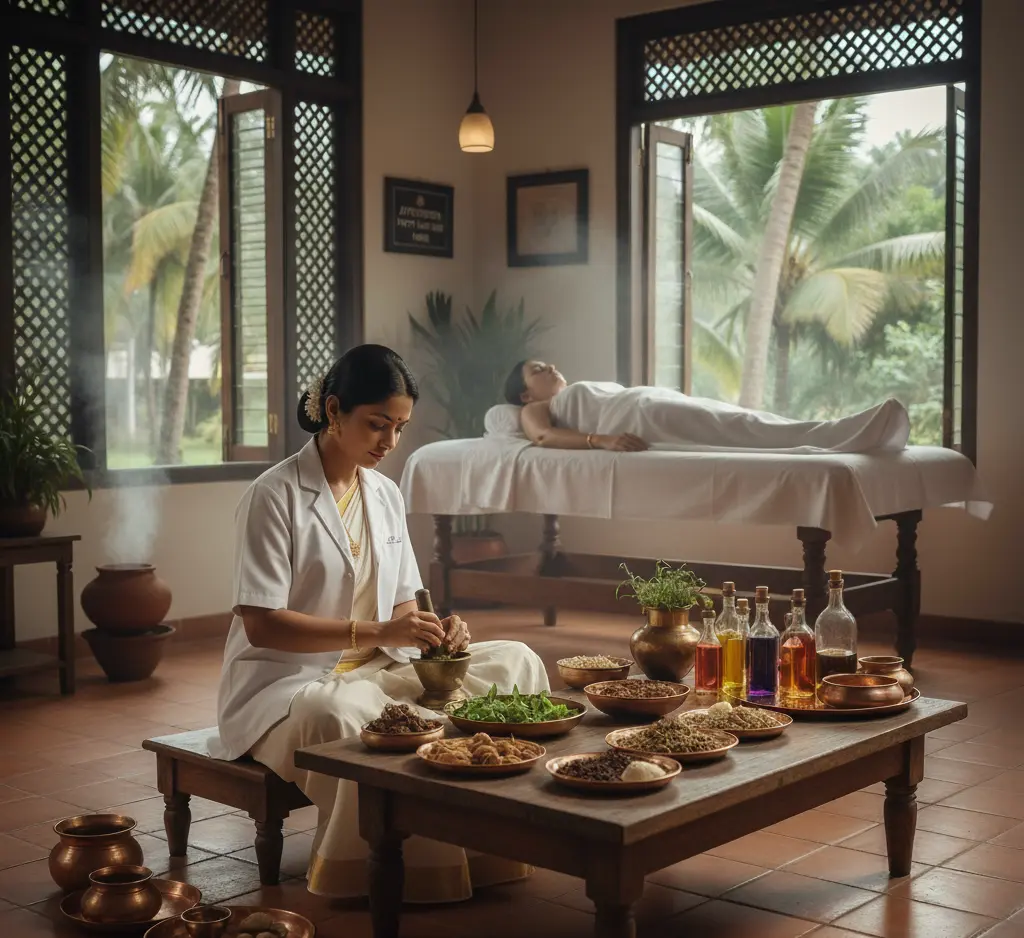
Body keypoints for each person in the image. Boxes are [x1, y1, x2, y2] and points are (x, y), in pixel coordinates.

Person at [212, 344, 548, 902]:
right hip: (291, 688)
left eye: (399, 427)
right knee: (344, 711)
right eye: (377, 425)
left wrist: (435, 631)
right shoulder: (273, 496)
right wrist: (378, 635)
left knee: (516, 660)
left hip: (380, 667)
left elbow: (402, 607)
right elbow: (263, 625)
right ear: (335, 410)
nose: (390, 443)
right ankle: (388, 868)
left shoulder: (385, 494)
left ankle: (491, 848)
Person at [502, 360, 911, 454]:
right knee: (742, 427)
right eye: (538, 368)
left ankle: (843, 431)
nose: (551, 367)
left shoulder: (572, 390)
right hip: (645, 418)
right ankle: (846, 434)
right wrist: (601, 440)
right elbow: (542, 436)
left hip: (654, 402)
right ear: (524, 394)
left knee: (743, 421)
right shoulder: (535, 409)